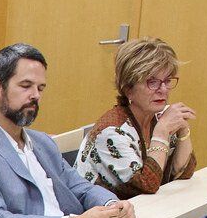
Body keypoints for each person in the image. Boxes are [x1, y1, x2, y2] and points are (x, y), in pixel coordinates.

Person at [0, 43, 134, 218]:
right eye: (26, 86)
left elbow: (80, 187)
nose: (35, 95)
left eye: (40, 88)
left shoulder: (43, 142)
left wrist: (112, 206)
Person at [78, 37, 197, 198]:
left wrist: (183, 129)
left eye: (167, 81)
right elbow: (146, 186)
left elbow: (183, 173)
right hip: (97, 215)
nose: (163, 89)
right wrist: (161, 134)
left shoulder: (158, 117)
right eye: (152, 82)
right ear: (128, 89)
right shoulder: (112, 132)